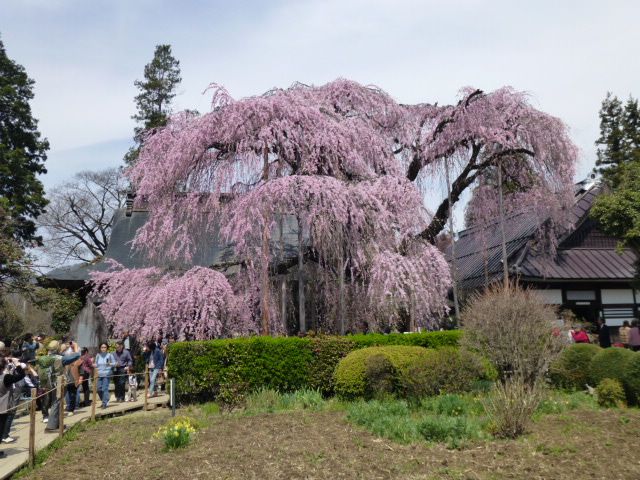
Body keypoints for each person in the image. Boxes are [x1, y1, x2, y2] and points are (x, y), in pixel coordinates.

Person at [45, 342, 80, 432]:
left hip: (50, 383)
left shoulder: (47, 357)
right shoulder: (60, 359)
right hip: (59, 383)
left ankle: (57, 424)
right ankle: (51, 427)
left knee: (56, 402)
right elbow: (76, 356)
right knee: (56, 403)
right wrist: (75, 347)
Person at [0, 356, 25, 458]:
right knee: (0, 429)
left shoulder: (6, 376)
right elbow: (21, 375)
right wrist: (17, 364)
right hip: (2, 406)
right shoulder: (6, 377)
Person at [95, 343, 115, 409]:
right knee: (98, 389)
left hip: (107, 373)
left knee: (104, 388)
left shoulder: (110, 355)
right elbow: (96, 364)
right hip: (99, 374)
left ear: (107, 348)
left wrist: (110, 363)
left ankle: (104, 403)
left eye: (105, 347)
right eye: (102, 347)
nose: (103, 349)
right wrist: (93, 365)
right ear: (100, 348)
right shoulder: (98, 355)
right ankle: (105, 399)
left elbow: (114, 363)